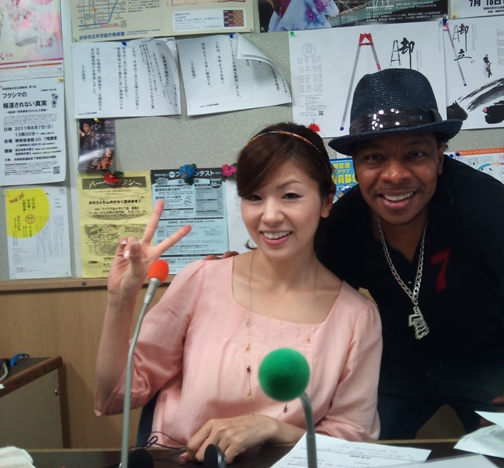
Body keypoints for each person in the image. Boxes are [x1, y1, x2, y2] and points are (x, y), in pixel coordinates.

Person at [316, 68, 504, 439]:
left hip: (487, 357)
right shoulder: (346, 220)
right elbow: (303, 307)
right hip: (395, 362)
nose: (394, 175)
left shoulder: (481, 203)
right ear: (356, 166)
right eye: (374, 158)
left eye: (415, 154)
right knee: (353, 452)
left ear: (440, 157)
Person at [94, 123, 382, 463]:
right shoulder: (201, 281)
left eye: (290, 196)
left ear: (326, 201)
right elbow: (116, 396)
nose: (270, 216)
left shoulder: (356, 317)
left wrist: (272, 429)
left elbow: (353, 439)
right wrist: (120, 300)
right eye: (254, 197)